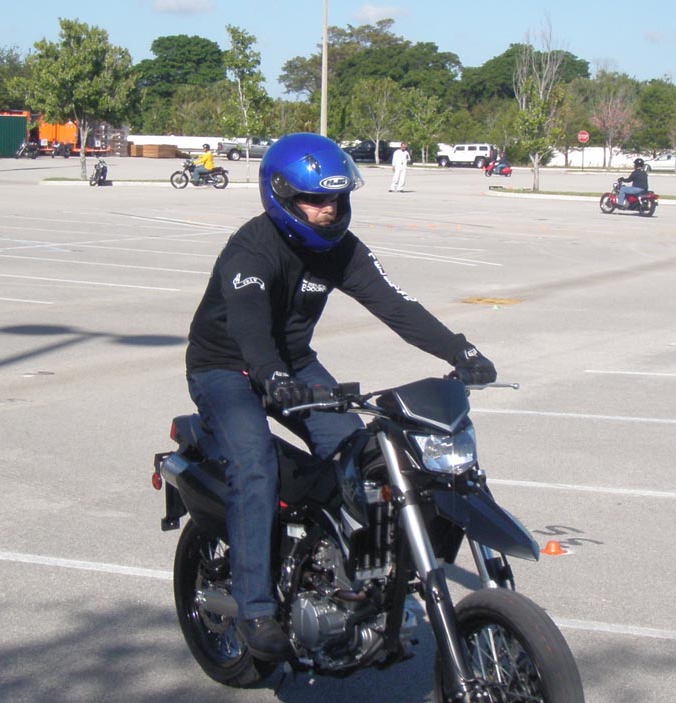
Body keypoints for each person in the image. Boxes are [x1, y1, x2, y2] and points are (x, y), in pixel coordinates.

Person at [185, 132, 497, 661]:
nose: (328, 209)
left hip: (293, 363)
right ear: (281, 196)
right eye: (315, 199)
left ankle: (346, 575)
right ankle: (255, 607)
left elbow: (396, 306)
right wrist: (271, 376)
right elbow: (249, 328)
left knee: (359, 454)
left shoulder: (342, 250)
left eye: (336, 198)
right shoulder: (251, 250)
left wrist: (459, 351)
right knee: (254, 462)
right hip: (226, 367)